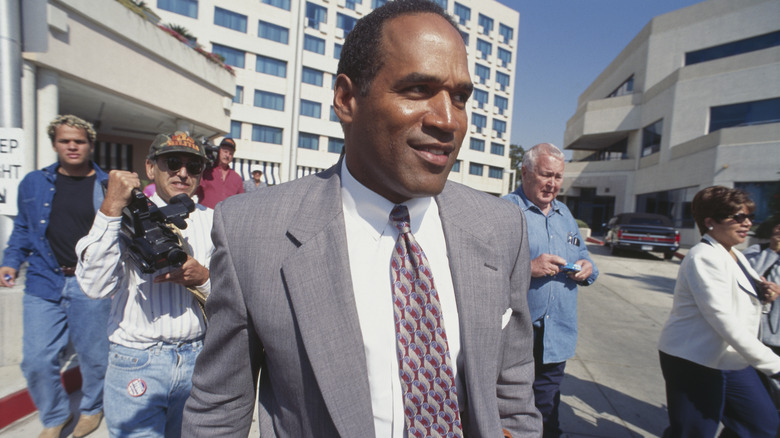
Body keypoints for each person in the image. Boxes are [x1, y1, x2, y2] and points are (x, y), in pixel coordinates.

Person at [182, 1, 542, 436]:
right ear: (347, 99)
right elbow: (220, 407)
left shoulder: (501, 227)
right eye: (418, 89)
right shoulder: (252, 232)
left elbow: (513, 388)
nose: (449, 120)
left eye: (460, 97)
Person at [75, 131, 214, 437]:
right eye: (173, 162)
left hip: (194, 359)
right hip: (137, 360)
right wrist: (111, 208)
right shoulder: (122, 214)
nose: (182, 173)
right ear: (151, 168)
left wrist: (202, 278)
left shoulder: (214, 221)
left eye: (193, 167)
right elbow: (94, 287)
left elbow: (231, 294)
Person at [0, 115, 111, 438]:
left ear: (90, 145)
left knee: (95, 357)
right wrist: (11, 260)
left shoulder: (106, 186)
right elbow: (23, 228)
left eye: (79, 141)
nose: (72, 146)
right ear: (54, 144)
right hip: (42, 280)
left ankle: (91, 409)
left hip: (90, 282)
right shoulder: (34, 183)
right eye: (65, 141)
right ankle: (55, 415)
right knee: (36, 359)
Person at [658, 186, 780, 437]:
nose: (746, 223)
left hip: (731, 359)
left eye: (748, 217)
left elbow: (742, 298)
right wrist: (774, 364)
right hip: (694, 360)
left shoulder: (735, 254)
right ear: (710, 222)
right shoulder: (703, 256)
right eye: (738, 217)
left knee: (763, 425)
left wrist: (765, 294)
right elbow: (722, 318)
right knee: (695, 432)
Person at [502, 142, 598, 437]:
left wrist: (587, 267)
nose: (552, 184)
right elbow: (482, 269)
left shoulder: (565, 214)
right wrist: (529, 268)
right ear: (525, 172)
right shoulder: (505, 210)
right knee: (511, 406)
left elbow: (583, 253)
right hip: (518, 329)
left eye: (558, 177)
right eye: (546, 175)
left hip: (558, 330)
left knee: (547, 404)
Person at [743, 216, 780, 409]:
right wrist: (772, 252)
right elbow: (746, 278)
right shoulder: (755, 252)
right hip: (758, 334)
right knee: (754, 393)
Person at [194, 137, 244, 208]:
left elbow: (241, 202)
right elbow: (193, 189)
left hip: (226, 217)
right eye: (225, 151)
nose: (227, 155)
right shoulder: (206, 171)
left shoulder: (237, 178)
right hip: (205, 216)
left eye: (230, 153)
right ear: (219, 151)